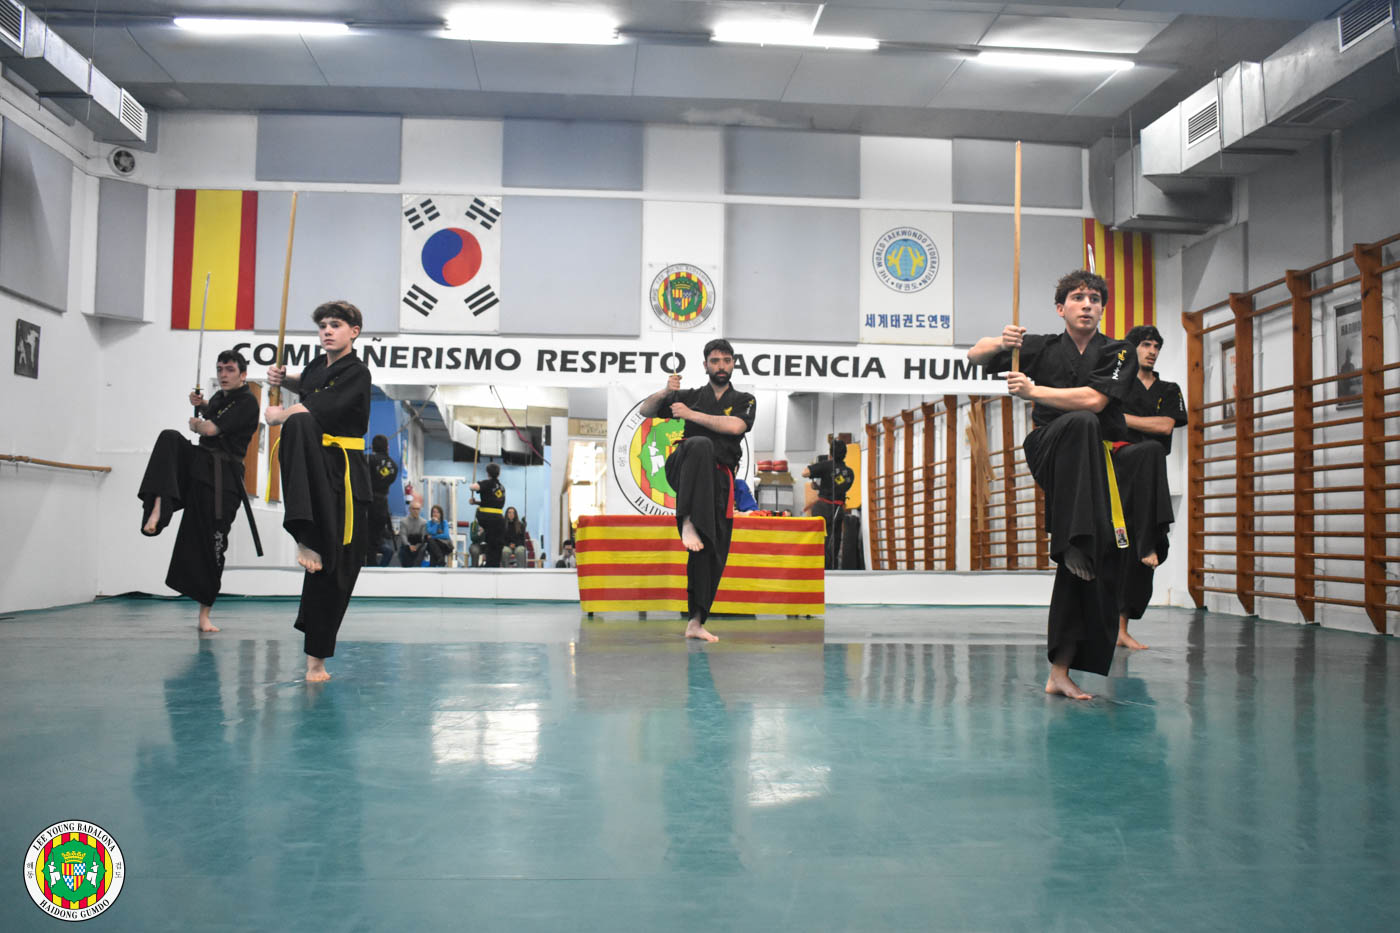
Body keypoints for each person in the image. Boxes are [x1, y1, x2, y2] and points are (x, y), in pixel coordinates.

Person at [967, 270, 1137, 700]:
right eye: (1078, 297)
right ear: (1061, 308)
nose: (1087, 304)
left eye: (1095, 298)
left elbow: (1096, 400)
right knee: (1080, 423)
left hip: (1095, 462)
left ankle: (1060, 671)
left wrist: (1033, 391)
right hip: (1050, 448)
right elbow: (974, 355)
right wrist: (1001, 342)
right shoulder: (1041, 346)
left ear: (1102, 308)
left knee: (1098, 558)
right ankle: (1070, 539)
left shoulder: (1118, 351)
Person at [265, 300, 372, 683]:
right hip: (315, 469)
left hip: (344, 476)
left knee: (339, 567)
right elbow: (310, 384)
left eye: (336, 325)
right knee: (298, 427)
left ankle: (317, 658)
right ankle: (305, 536)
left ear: (353, 332)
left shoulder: (357, 372)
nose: (327, 330)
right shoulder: (315, 366)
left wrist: (278, 414)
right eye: (323, 325)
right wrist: (284, 380)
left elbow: (313, 406)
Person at [638, 339, 756, 642]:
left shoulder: (744, 399)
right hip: (684, 468)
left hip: (718, 483)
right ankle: (687, 520)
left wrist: (689, 414)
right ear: (705, 365)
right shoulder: (690, 395)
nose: (721, 366)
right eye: (715, 361)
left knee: (711, 552)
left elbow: (735, 427)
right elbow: (645, 410)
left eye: (726, 360)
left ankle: (696, 622)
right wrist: (665, 392)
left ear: (733, 364)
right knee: (701, 444)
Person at [138, 349, 261, 633]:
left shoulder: (247, 402)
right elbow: (215, 413)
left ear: (243, 374)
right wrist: (203, 404)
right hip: (200, 468)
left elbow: (211, 429)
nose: (223, 375)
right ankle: (159, 507)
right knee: (169, 438)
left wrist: (197, 424)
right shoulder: (219, 398)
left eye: (230, 370)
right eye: (220, 369)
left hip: (224, 480)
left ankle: (204, 614)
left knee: (213, 544)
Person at [1111, 325, 1188, 651]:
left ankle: (1121, 630)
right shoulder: (1117, 385)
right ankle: (1147, 543)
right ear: (1133, 349)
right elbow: (1107, 421)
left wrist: (1123, 419)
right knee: (1116, 548)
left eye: (1156, 346)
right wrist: (1137, 424)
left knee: (1140, 552)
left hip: (1149, 477)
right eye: (1146, 344)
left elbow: (1167, 425)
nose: (1152, 351)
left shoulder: (1168, 389)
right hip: (1120, 467)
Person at [803, 440, 855, 569]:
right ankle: (832, 567)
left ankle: (817, 565)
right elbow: (838, 487)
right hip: (838, 509)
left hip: (823, 507)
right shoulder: (850, 473)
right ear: (845, 454)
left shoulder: (826, 465)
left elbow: (805, 473)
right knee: (835, 539)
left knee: (819, 537)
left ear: (830, 453)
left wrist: (819, 471)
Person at [367, 434, 399, 566]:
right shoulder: (393, 466)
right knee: (376, 539)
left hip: (367, 504)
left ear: (372, 447)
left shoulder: (367, 460)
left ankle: (368, 564)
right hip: (382, 506)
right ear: (387, 447)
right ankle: (373, 565)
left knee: (365, 538)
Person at [470, 462, 506, 567]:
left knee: (490, 542)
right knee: (496, 544)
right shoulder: (501, 487)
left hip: (487, 518)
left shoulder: (487, 483)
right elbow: (492, 503)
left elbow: (474, 487)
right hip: (499, 519)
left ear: (488, 473)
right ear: (499, 474)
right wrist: (476, 502)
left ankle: (489, 565)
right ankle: (493, 564)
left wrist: (472, 485)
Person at [398, 499, 428, 568]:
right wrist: (409, 546)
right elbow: (403, 536)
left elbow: (423, 537)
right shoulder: (403, 521)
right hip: (407, 544)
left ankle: (416, 568)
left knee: (423, 547)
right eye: (413, 509)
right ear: (409, 509)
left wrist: (417, 546)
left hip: (419, 544)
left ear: (420, 510)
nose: (416, 511)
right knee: (404, 549)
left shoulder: (424, 522)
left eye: (418, 509)